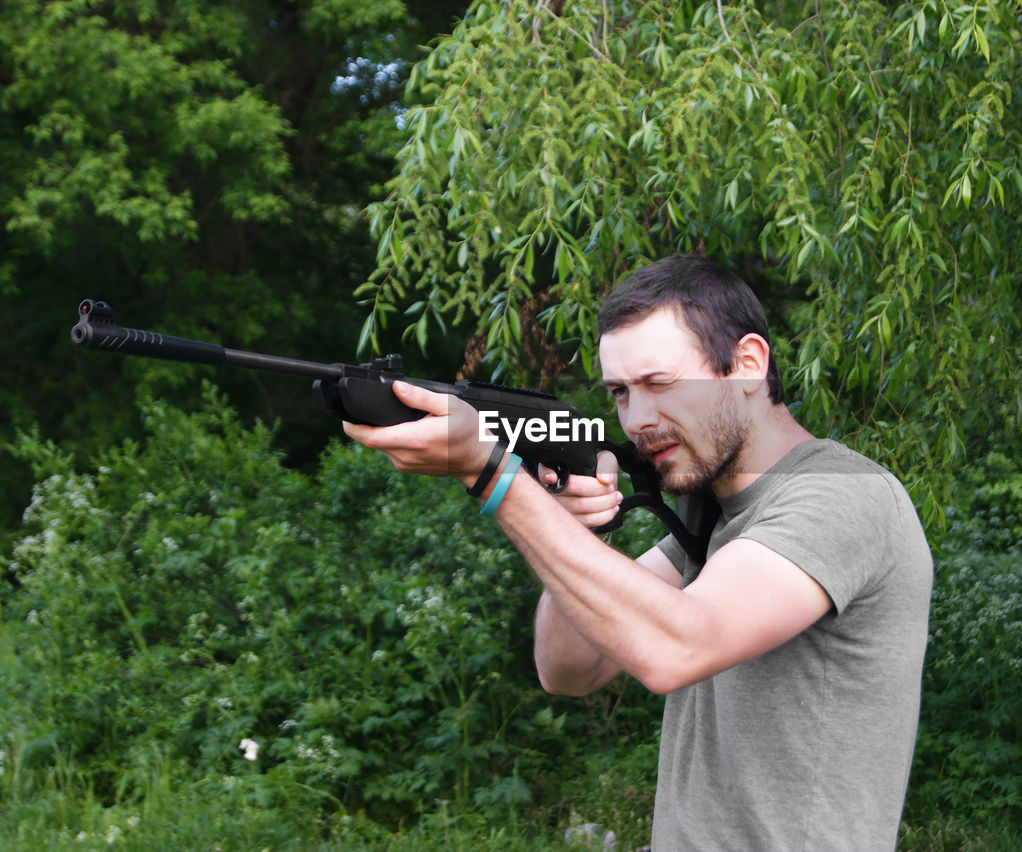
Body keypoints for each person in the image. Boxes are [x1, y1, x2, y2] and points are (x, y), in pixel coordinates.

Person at [344, 254, 933, 850]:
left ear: (748, 364)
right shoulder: (715, 516)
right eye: (621, 392)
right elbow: (569, 669)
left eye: (661, 383)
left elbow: (674, 646)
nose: (638, 419)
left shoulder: (842, 497)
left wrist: (494, 476)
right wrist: (574, 527)